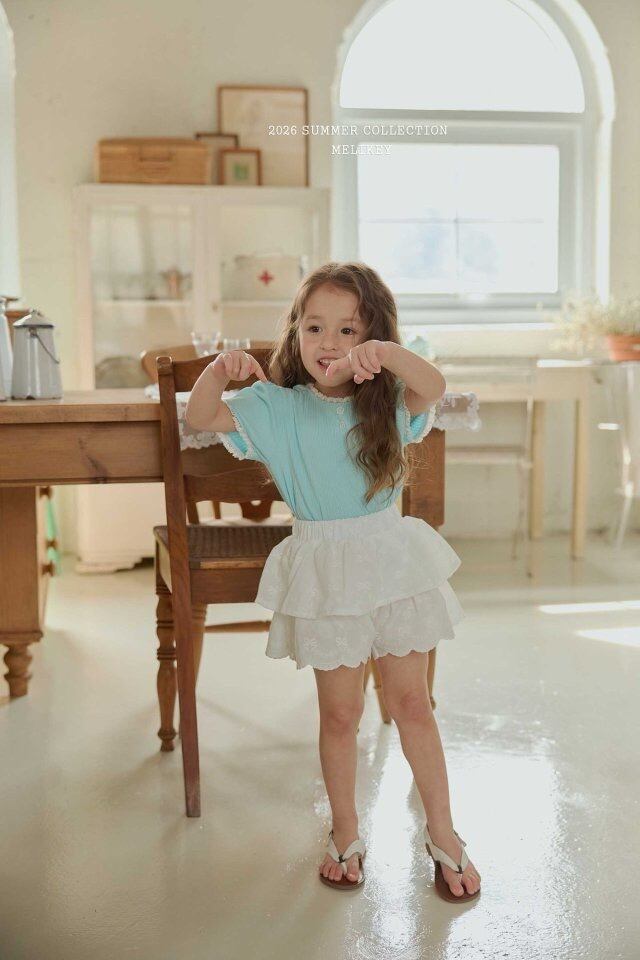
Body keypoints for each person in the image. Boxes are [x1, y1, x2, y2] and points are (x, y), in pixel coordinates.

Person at [185, 262, 481, 901]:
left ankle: (443, 832)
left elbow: (434, 385)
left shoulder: (389, 404)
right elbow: (204, 416)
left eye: (349, 330)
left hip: (393, 563)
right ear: (294, 333)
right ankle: (345, 830)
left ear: (372, 337)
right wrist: (219, 371)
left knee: (411, 704)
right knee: (341, 713)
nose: (329, 342)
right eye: (315, 327)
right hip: (323, 570)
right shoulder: (277, 408)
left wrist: (389, 356)